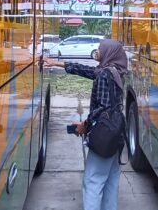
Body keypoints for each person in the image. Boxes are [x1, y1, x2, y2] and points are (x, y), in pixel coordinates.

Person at [43, 39, 127, 210]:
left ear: (109, 53)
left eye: (101, 49)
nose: (98, 51)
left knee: (93, 181)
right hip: (117, 133)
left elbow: (104, 109)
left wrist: (85, 124)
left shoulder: (105, 75)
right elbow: (85, 70)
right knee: (111, 182)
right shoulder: (116, 71)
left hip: (104, 135)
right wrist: (56, 63)